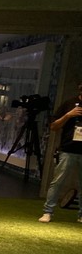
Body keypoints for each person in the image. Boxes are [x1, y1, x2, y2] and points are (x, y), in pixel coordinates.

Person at [38, 83, 82, 223]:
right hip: (68, 149)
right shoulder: (69, 104)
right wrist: (68, 115)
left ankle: (81, 215)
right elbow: (53, 126)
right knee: (57, 181)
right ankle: (48, 212)